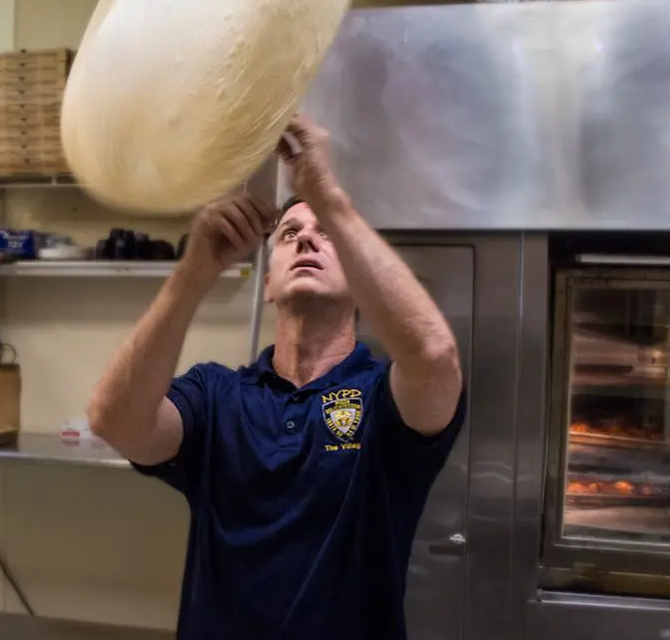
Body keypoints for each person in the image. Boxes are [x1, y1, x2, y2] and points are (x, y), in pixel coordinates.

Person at [87, 114, 466, 640]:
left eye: (325, 235)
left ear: (360, 278)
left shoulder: (385, 398)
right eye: (290, 234)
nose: (307, 241)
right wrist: (196, 268)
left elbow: (434, 354)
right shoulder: (217, 395)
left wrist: (328, 199)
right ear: (268, 285)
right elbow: (114, 419)